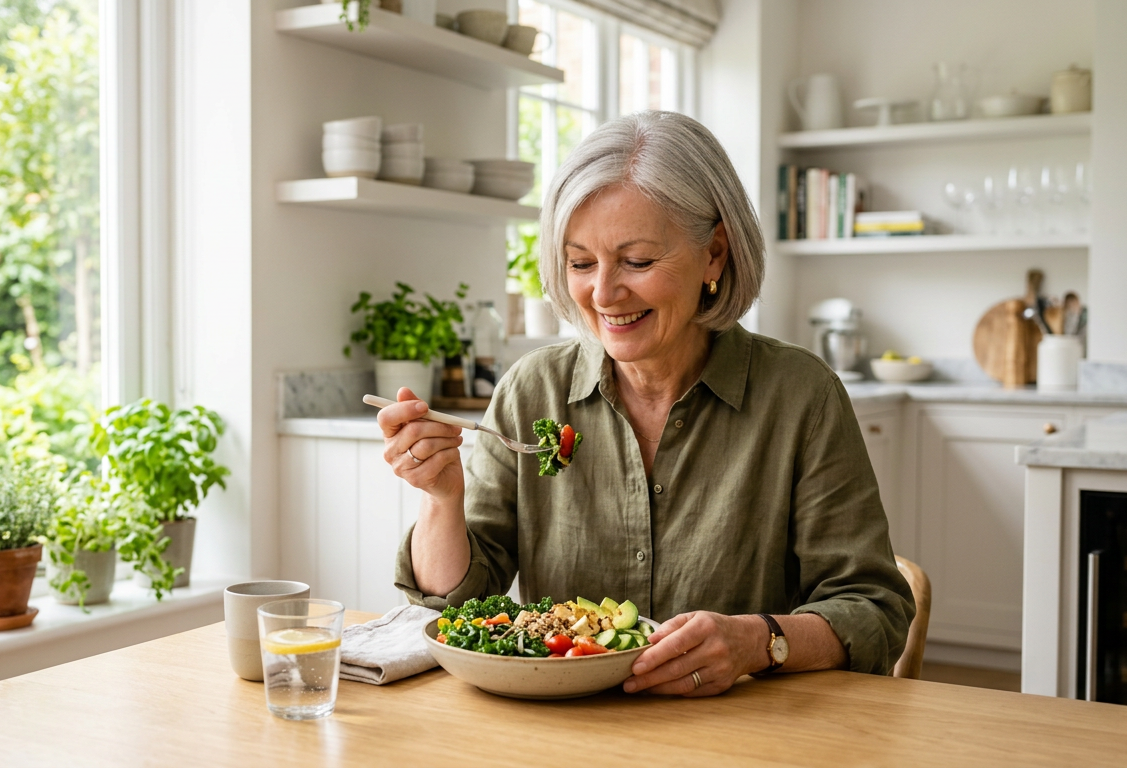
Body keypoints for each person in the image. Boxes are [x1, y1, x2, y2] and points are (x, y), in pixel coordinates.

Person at [375, 111, 913, 696]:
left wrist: (757, 640)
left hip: (743, 737)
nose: (604, 294)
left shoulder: (800, 396)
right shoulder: (532, 392)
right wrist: (441, 498)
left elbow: (874, 610)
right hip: (561, 734)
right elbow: (458, 608)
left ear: (715, 254)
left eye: (637, 261)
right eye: (581, 263)